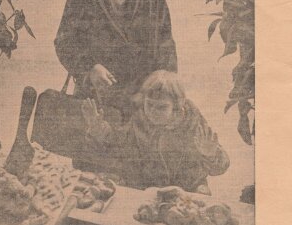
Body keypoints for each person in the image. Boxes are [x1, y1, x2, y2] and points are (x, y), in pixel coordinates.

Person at [55, 0, 177, 118]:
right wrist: (90, 68)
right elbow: (64, 42)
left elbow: (166, 44)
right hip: (98, 99)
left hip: (144, 100)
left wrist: (165, 87)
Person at [81, 70, 230, 195]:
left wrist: (210, 154)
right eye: (149, 104)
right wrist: (98, 130)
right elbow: (117, 149)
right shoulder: (139, 121)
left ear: (177, 108)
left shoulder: (194, 126)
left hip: (186, 192)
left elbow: (220, 168)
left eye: (161, 107)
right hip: (145, 190)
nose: (152, 112)